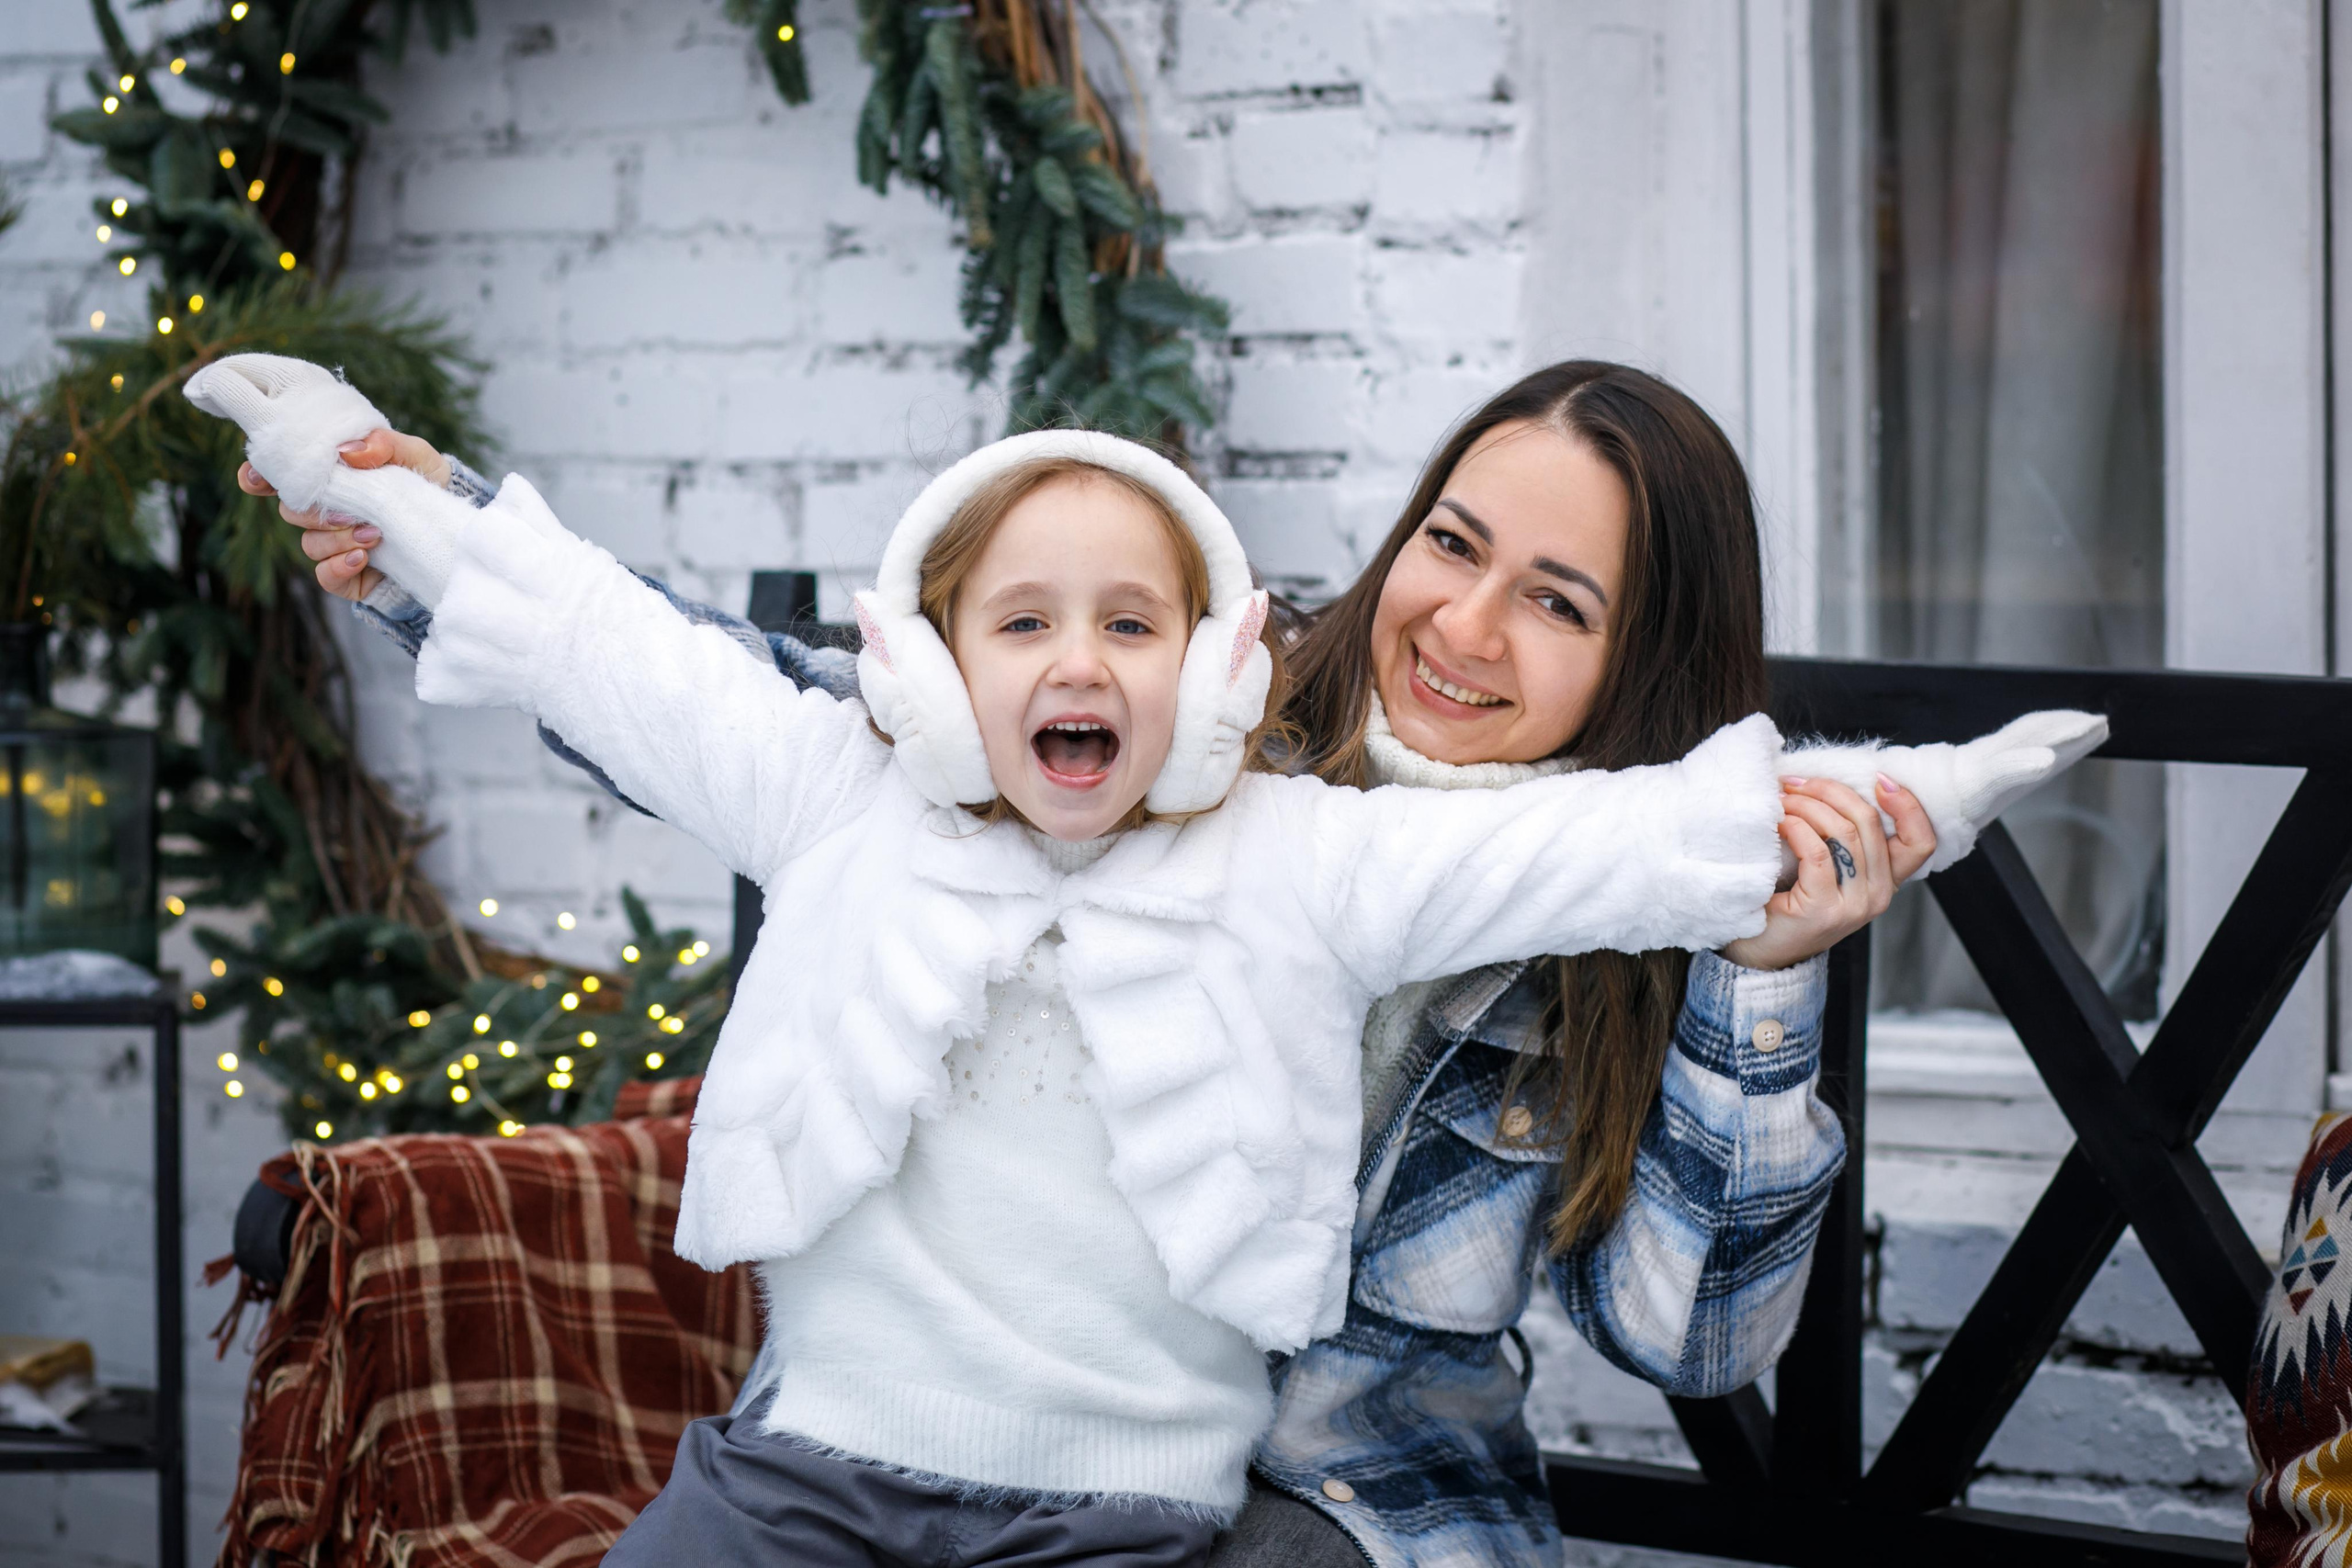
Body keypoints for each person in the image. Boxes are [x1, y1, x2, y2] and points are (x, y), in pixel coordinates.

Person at [222, 356, 2099, 1568]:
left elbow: (1689, 1337)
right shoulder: (1159, 733)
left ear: (1641, 668)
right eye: (1452, 541)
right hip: (892, 1451)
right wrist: (430, 544)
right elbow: (728, 704)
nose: (1459, 618)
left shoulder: (1589, 925)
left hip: (1327, 1510)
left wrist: (1762, 976)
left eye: (1555, 598)